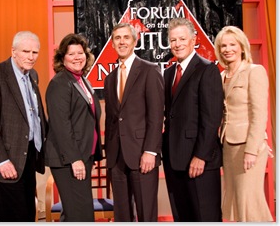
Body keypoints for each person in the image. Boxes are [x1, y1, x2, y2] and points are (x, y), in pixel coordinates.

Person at [0, 31, 46, 222]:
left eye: (35, 52)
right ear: (13, 51)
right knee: (11, 217)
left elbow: (36, 115)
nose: (31, 57)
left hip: (29, 155)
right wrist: (1, 160)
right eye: (26, 51)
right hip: (7, 160)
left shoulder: (33, 75)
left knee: (27, 214)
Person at [162, 17, 223, 222]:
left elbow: (211, 118)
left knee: (205, 216)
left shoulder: (207, 69)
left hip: (199, 161)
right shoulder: (169, 73)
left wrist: (201, 156)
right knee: (183, 217)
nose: (177, 44)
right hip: (174, 160)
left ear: (194, 39)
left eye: (181, 39)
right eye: (172, 40)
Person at [103, 23, 164, 222]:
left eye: (126, 37)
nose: (121, 42)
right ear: (112, 43)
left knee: (146, 212)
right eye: (117, 38)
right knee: (122, 215)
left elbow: (156, 116)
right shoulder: (110, 78)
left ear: (135, 41)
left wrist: (151, 151)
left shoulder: (149, 70)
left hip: (142, 154)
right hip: (117, 157)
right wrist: (108, 155)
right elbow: (112, 120)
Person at [214, 26, 273, 222]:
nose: (227, 49)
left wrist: (252, 150)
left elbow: (259, 115)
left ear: (242, 47)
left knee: (249, 199)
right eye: (223, 45)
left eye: (232, 44)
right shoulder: (221, 76)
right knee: (234, 199)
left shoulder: (254, 71)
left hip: (249, 146)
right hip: (228, 145)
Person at [45, 33, 103, 222]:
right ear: (62, 58)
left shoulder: (81, 80)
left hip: (81, 156)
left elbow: (87, 119)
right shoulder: (60, 83)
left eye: (80, 52)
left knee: (74, 213)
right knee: (81, 215)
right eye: (71, 54)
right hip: (68, 160)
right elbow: (61, 124)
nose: (77, 57)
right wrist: (75, 159)